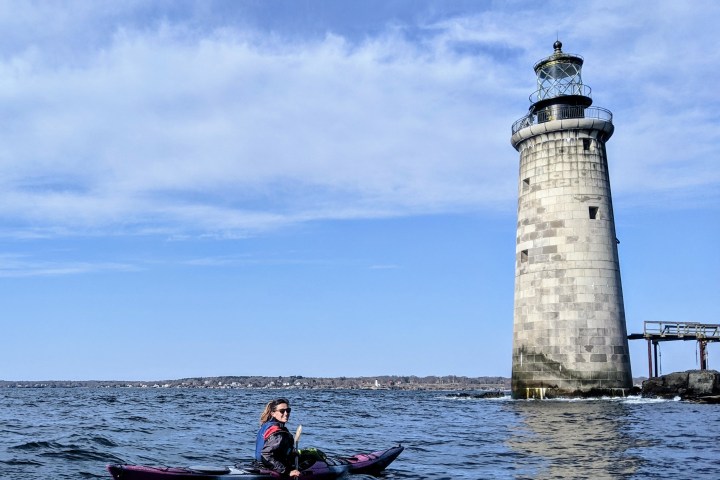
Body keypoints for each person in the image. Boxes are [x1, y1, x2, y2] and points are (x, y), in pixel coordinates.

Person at [255, 398, 300, 477]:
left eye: (288, 410)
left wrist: (291, 453)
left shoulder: (267, 425)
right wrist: (286, 472)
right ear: (273, 413)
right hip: (271, 469)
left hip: (261, 465)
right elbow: (266, 454)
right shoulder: (278, 433)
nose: (286, 413)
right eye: (282, 411)